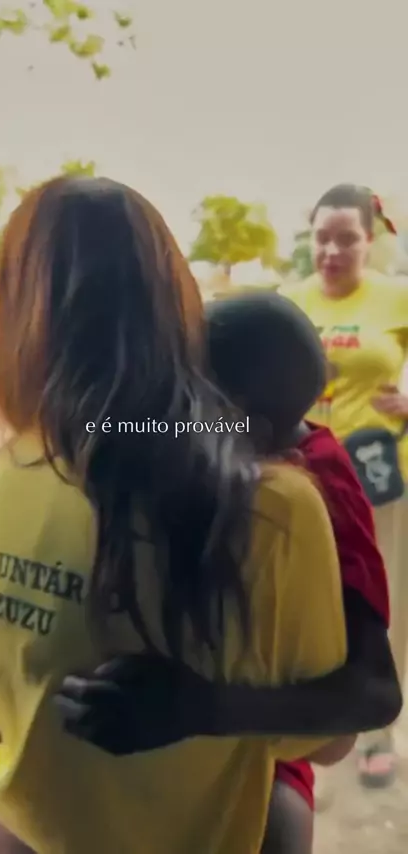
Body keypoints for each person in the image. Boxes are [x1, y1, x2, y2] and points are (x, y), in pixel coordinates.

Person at [0, 176, 353, 854]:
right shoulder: (276, 507)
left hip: (35, 823)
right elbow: (327, 742)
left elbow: (16, 702)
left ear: (12, 309)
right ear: (179, 306)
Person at [278, 183, 408, 788]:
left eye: (347, 239)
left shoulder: (395, 298)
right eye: (322, 238)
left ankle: (378, 729)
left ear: (370, 240)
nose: (331, 251)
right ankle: (304, 716)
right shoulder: (290, 301)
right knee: (304, 593)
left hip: (377, 475)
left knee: (382, 598)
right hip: (301, 474)